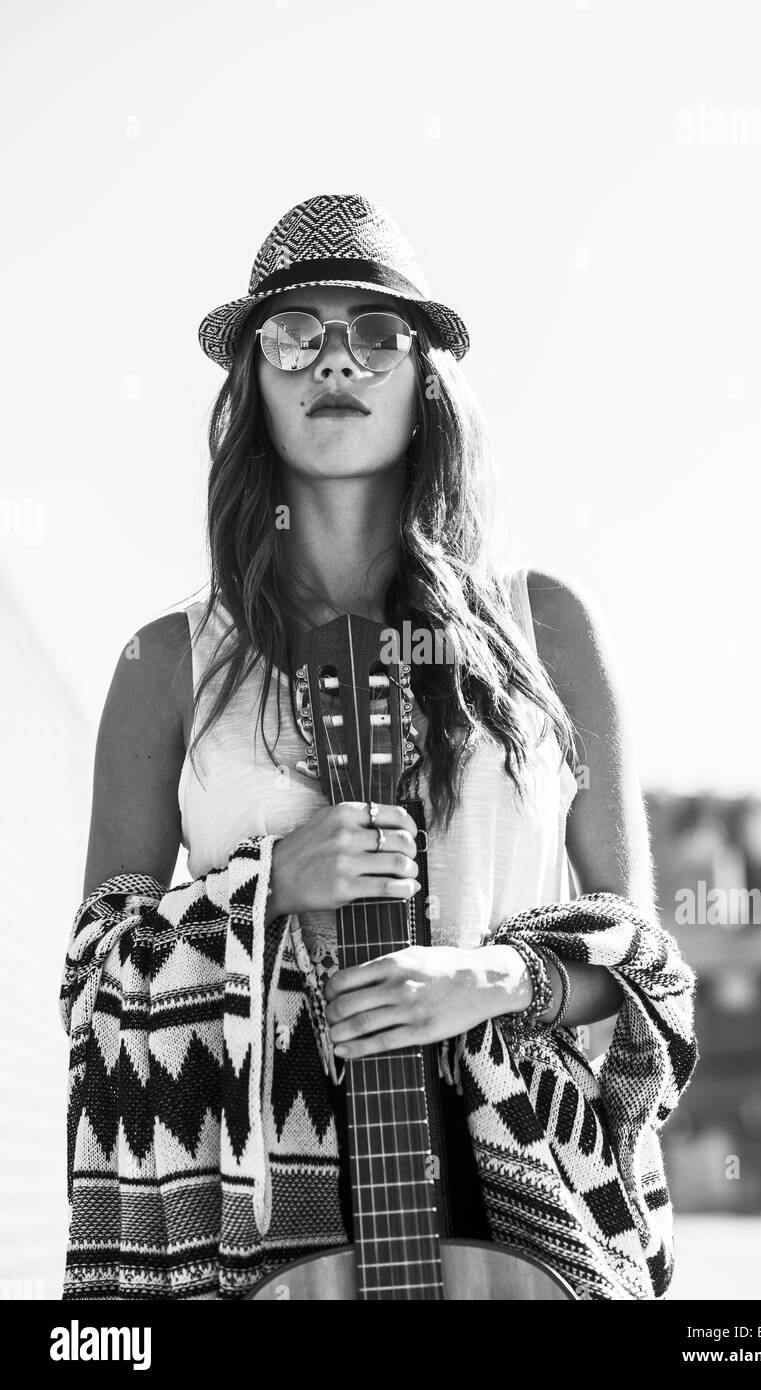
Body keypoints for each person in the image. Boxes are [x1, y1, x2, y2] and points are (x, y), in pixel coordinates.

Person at [82, 191, 655, 1267]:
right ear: (251, 383)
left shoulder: (550, 631)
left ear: (425, 378)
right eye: (293, 337)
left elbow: (645, 968)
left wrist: (498, 978)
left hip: (525, 1221)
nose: (334, 364)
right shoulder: (169, 665)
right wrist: (268, 886)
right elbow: (97, 985)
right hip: (259, 1233)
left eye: (375, 334)